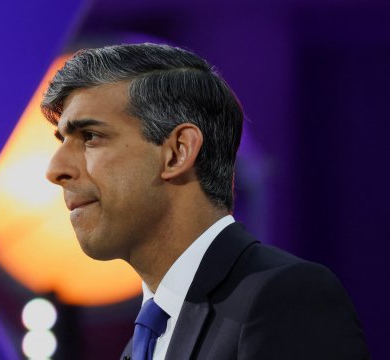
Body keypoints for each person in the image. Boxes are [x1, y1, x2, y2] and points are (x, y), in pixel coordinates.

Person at [42, 43, 368, 359]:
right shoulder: (146, 339)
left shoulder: (287, 298)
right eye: (62, 141)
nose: (55, 170)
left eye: (90, 137)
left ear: (177, 152)